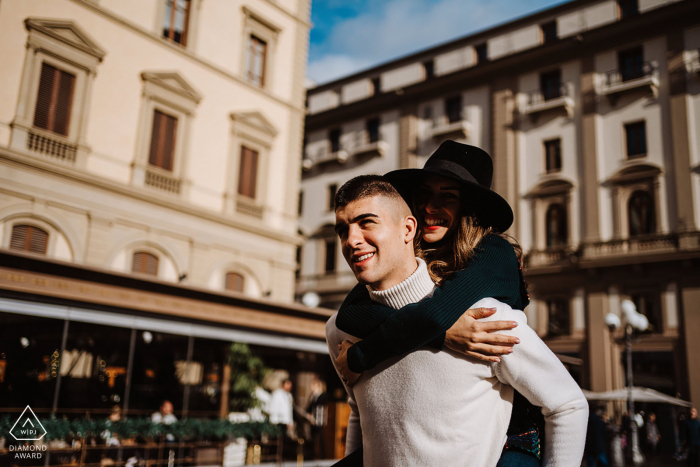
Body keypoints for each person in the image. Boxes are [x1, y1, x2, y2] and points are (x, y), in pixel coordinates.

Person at [327, 156, 588, 466]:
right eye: (423, 194)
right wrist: (443, 334)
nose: (429, 206)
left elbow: (435, 314)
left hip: (513, 436)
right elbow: (350, 316)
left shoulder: (493, 259)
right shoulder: (367, 301)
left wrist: (362, 355)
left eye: (448, 196)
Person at [305, 378, 328, 459]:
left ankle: (322, 455)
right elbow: (309, 407)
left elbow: (320, 406)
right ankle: (313, 454)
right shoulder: (313, 396)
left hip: (320, 419)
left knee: (321, 437)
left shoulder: (322, 395)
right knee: (313, 437)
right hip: (313, 420)